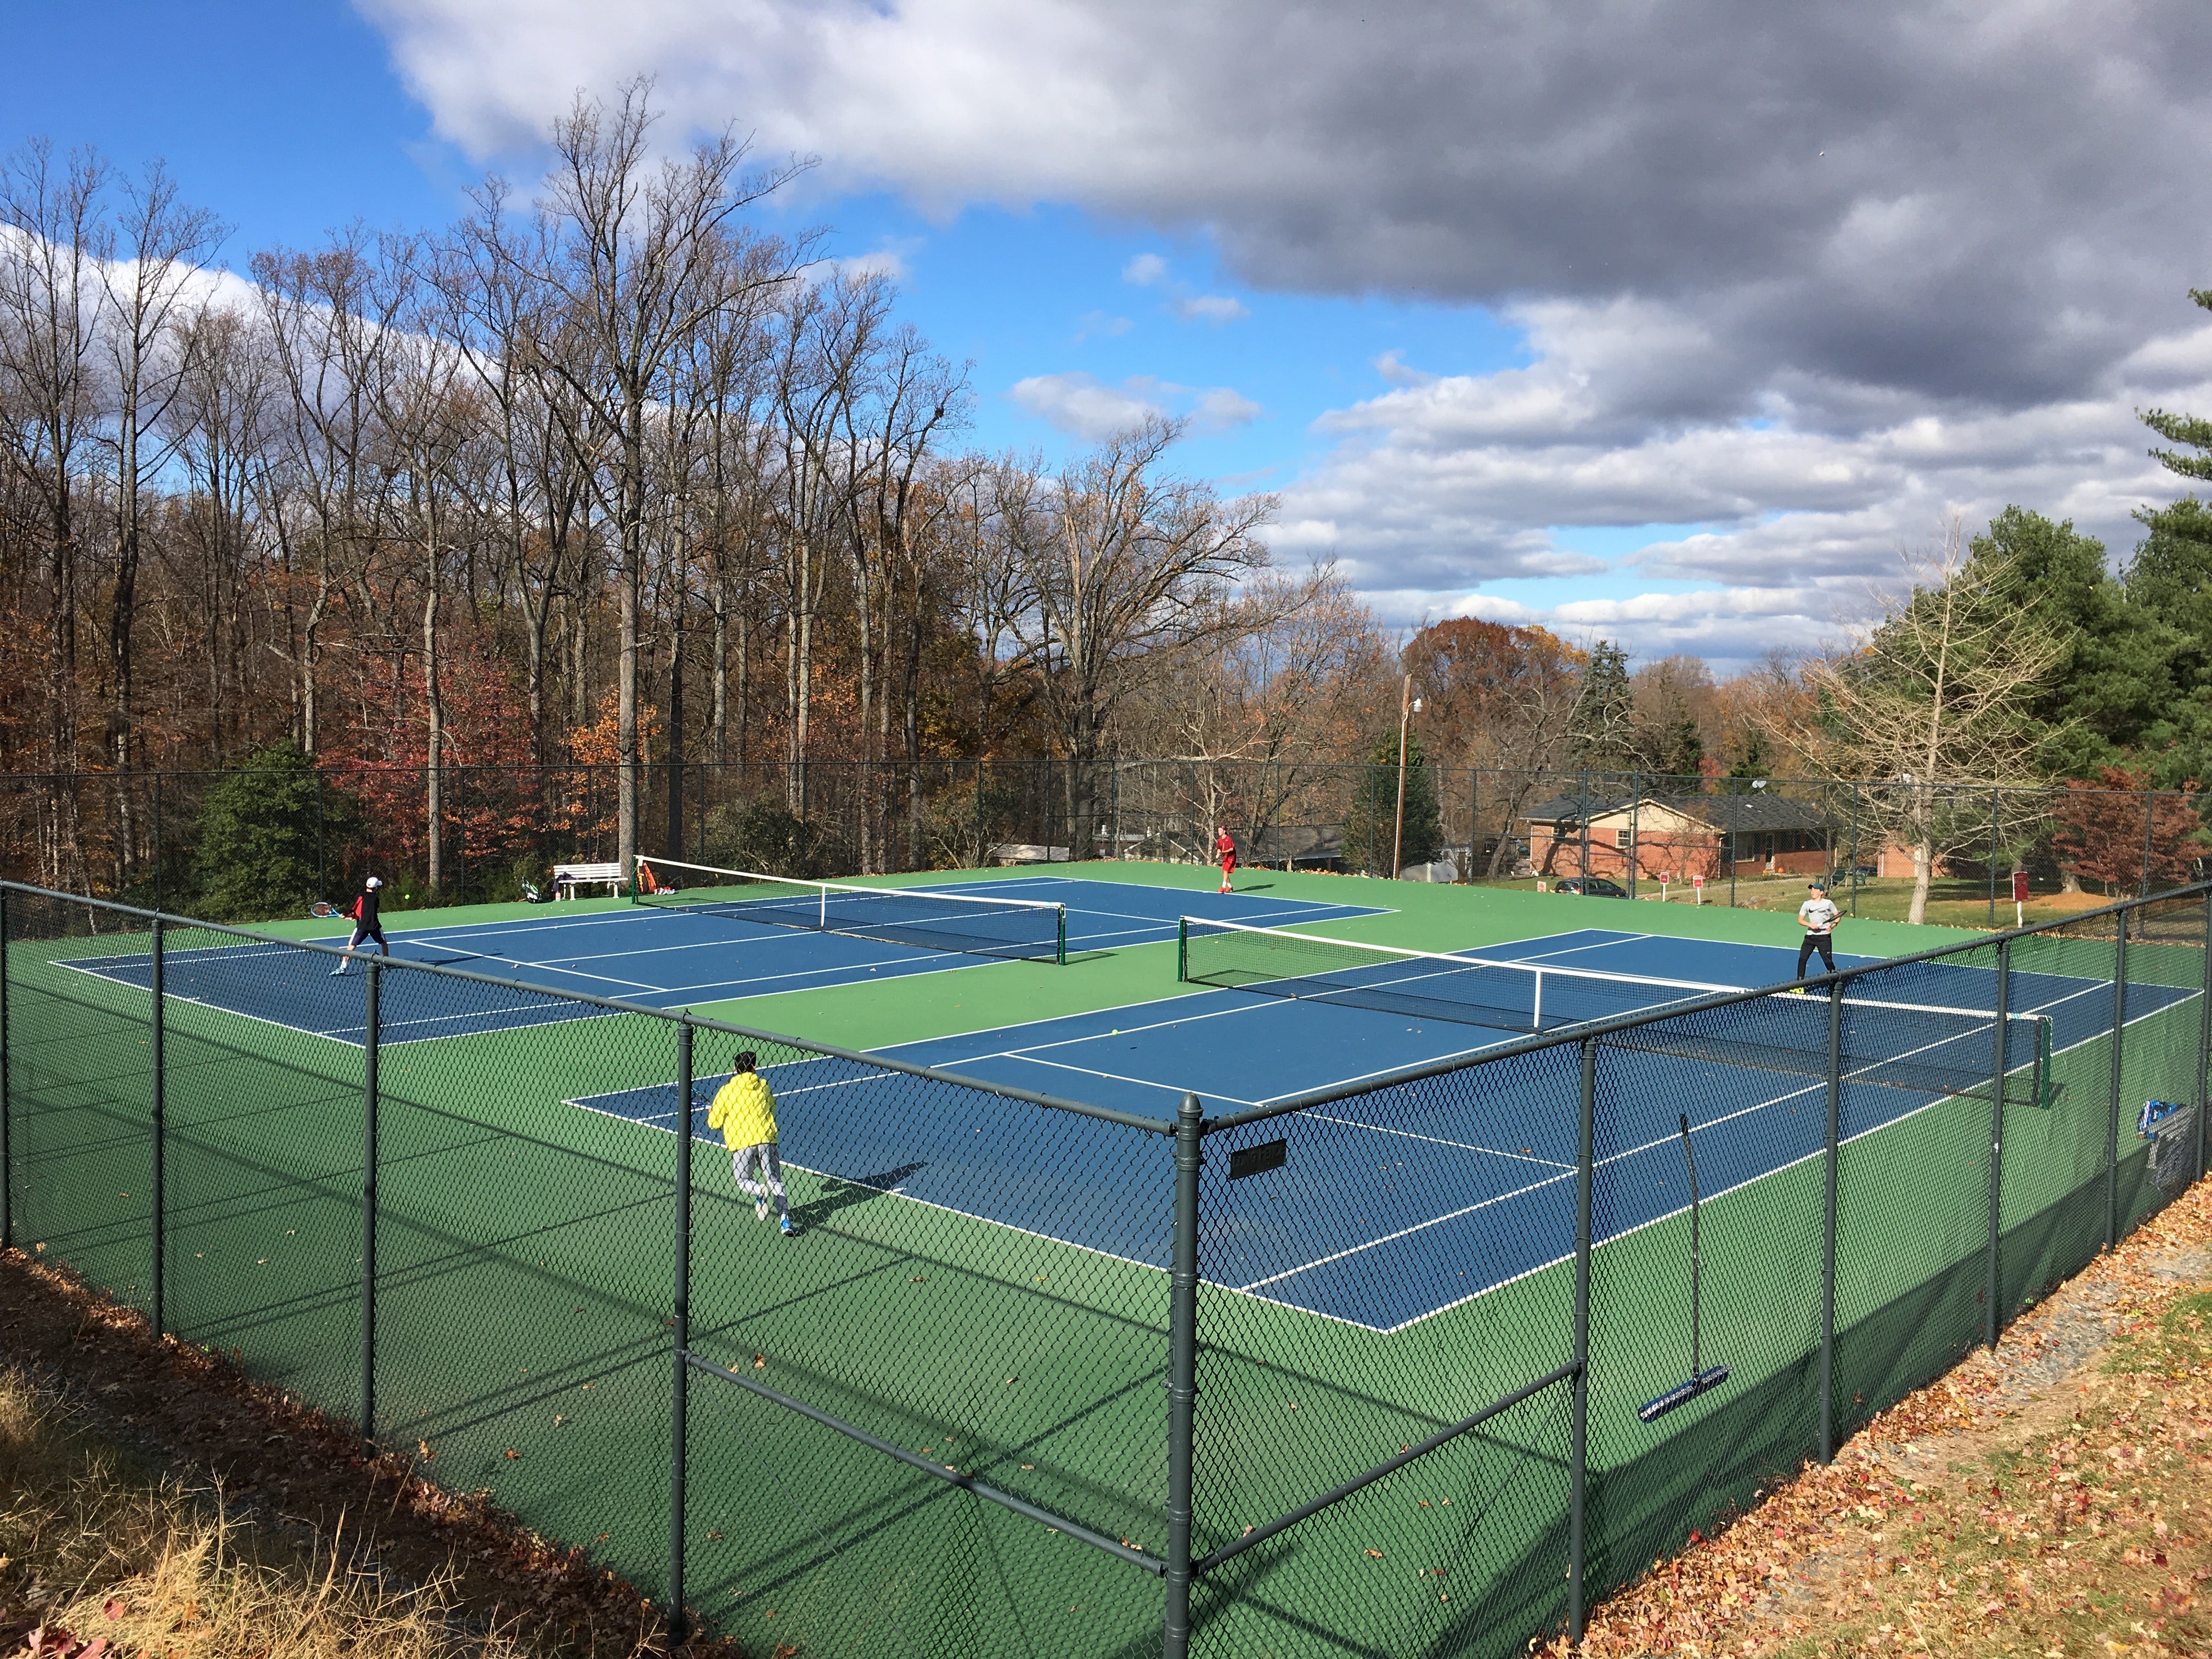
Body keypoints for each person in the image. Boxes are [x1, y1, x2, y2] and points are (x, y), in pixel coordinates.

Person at [708, 1049, 791, 1235]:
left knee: (743, 1180)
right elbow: (772, 1106)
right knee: (774, 1179)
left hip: (742, 1142)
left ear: (735, 1068)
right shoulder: (763, 1086)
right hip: (766, 1139)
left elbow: (714, 1123)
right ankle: (785, 1220)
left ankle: (758, 1191)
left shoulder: (727, 1091)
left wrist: (713, 1112)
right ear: (754, 1067)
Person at [329, 876, 390, 975]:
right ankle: (387, 962)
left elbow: (354, 908)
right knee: (384, 943)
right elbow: (366, 912)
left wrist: (346, 914)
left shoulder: (360, 896)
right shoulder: (376, 899)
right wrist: (350, 916)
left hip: (362, 927)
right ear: (376, 888)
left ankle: (342, 968)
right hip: (374, 926)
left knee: (351, 947)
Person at [1794, 881, 1842, 984]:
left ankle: (1835, 980)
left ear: (1821, 892)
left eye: (1815, 890)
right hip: (1810, 937)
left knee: (1827, 961)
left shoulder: (1828, 903)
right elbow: (1800, 920)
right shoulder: (1807, 904)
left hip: (1824, 938)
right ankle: (1799, 984)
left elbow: (1837, 916)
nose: (1813, 892)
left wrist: (1833, 925)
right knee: (1802, 959)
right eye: (1812, 890)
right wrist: (1810, 925)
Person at [1215, 826, 1238, 895]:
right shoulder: (1219, 840)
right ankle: (1230, 887)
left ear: (1224, 831)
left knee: (1226, 871)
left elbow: (1232, 849)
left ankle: (1223, 887)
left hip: (1231, 857)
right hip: (1226, 857)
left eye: (1220, 830)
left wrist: (1224, 852)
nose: (1219, 832)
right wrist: (1218, 854)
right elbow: (1219, 848)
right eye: (1218, 830)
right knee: (1224, 873)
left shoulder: (1229, 839)